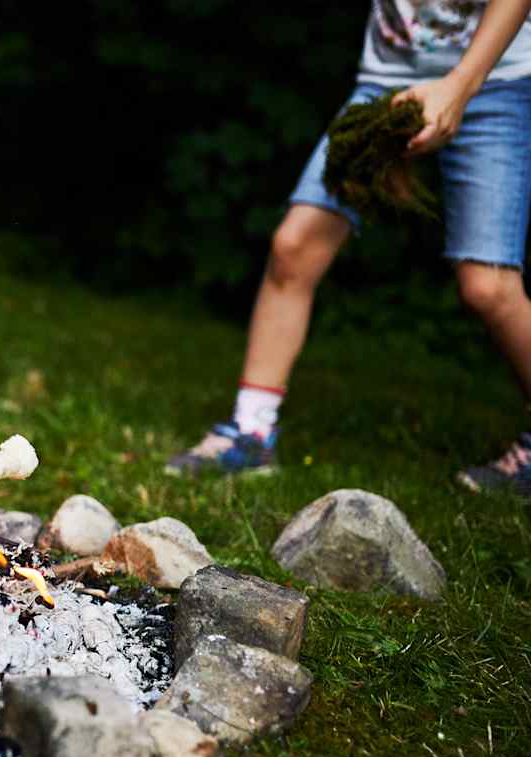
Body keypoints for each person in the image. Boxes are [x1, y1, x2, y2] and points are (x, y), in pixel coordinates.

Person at [166, 0, 531, 492]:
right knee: (295, 246)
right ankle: (251, 433)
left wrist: (460, 86)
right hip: (384, 80)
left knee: (488, 286)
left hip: (496, 81)